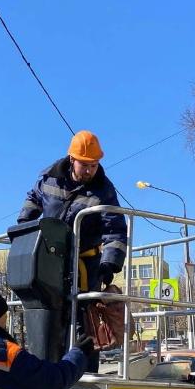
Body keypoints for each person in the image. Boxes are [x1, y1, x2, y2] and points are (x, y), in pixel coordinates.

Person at [17, 130, 128, 371]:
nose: (90, 170)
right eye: (85, 165)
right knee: (48, 312)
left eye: (94, 165)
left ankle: (83, 370)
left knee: (83, 320)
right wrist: (25, 223)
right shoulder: (48, 178)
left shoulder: (104, 190)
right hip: (50, 261)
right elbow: (33, 199)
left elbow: (116, 229)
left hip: (85, 265)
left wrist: (110, 263)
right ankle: (48, 368)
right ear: (71, 159)